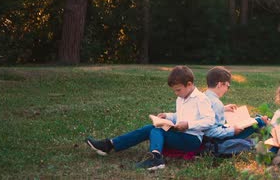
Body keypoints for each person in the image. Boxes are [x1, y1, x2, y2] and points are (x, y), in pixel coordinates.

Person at [85, 65, 215, 170]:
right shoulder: (181, 98)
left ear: (189, 84)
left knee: (156, 130)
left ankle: (156, 159)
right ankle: (110, 144)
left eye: (178, 90)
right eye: (174, 90)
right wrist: (168, 116)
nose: (176, 93)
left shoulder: (201, 99)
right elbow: (180, 115)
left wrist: (188, 125)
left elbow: (209, 120)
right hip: (180, 135)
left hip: (192, 139)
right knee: (150, 128)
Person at [203, 66, 267, 141]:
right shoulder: (216, 103)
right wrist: (232, 131)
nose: (227, 89)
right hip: (216, 140)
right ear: (220, 84)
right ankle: (262, 122)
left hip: (211, 137)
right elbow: (210, 131)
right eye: (228, 86)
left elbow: (210, 112)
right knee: (253, 123)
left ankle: (260, 122)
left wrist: (224, 109)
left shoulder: (204, 96)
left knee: (247, 123)